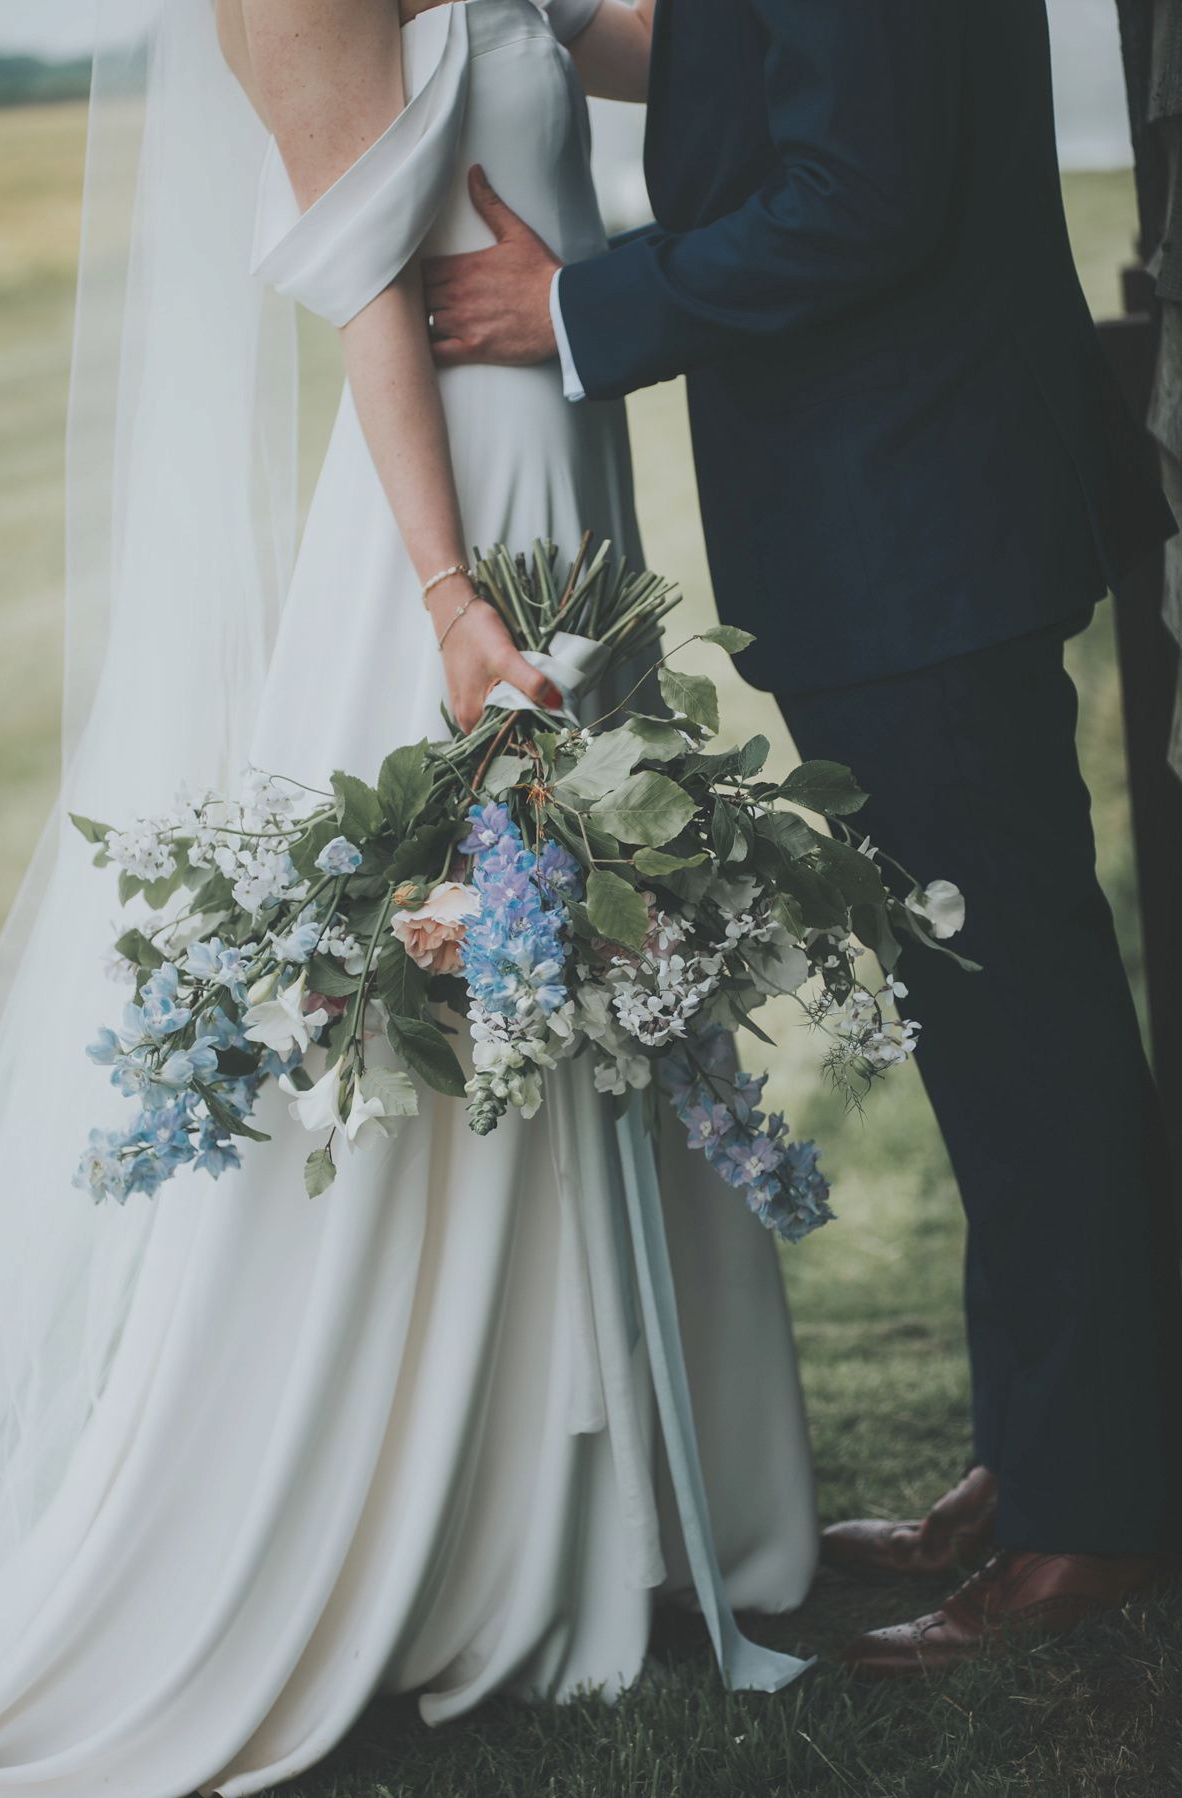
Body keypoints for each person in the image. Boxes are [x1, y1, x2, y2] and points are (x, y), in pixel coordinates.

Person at [0, 2, 819, 1792]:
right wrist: (448, 598)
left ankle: (631, 1506)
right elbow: (379, 302)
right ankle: (479, 1526)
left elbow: (668, 42)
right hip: (457, 523)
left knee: (611, 946)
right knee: (476, 966)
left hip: (566, 473)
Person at [422, 0, 1182, 1672]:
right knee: (995, 1022)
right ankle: (1049, 1456)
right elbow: (764, 71)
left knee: (1019, 1026)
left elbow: (859, 191)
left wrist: (574, 303)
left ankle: (1098, 1515)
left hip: (920, 523)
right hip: (913, 514)